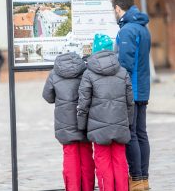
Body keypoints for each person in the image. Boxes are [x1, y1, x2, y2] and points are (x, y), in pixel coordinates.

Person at [77, 35, 134, 191]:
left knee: (102, 163)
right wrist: (128, 122)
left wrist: (82, 125)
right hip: (120, 125)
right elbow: (130, 101)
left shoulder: (89, 73)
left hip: (98, 128)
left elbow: (83, 103)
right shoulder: (122, 72)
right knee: (120, 161)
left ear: (95, 50)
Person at [111, 0, 151, 191]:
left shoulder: (127, 30)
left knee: (131, 134)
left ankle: (135, 178)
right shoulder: (143, 28)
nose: (114, 14)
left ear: (118, 8)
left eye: (114, 10)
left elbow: (124, 63)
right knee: (141, 133)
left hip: (131, 89)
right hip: (143, 88)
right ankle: (143, 179)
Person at [42, 52, 95, 191]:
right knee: (86, 155)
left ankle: (73, 188)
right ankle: (88, 187)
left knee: (70, 156)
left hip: (64, 123)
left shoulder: (54, 73)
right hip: (84, 120)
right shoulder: (85, 71)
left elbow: (47, 97)